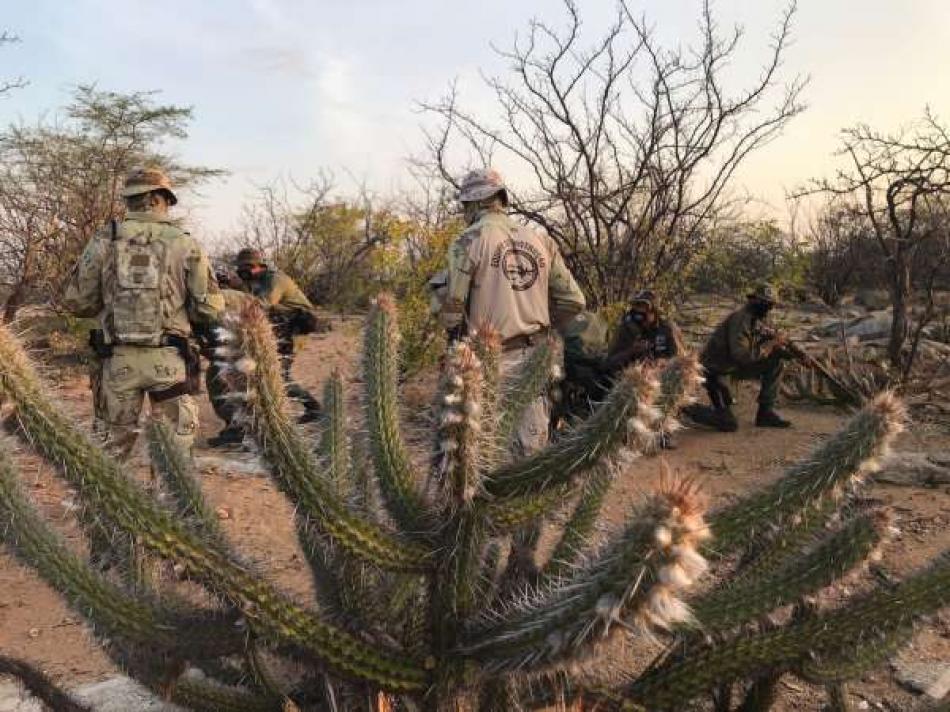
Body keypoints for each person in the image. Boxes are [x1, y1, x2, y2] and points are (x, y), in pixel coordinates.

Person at [64, 167, 223, 456]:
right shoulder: (186, 243)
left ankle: (104, 502)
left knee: (109, 455)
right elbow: (208, 308)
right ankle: (164, 500)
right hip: (169, 361)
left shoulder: (105, 239)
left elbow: (78, 302)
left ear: (130, 200)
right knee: (173, 459)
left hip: (118, 361)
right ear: (160, 199)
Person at [439, 168, 586, 456]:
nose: (464, 211)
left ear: (475, 202)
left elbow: (453, 309)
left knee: (484, 451)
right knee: (530, 448)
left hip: (489, 360)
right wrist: (538, 320)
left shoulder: (468, 240)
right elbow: (574, 300)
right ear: (501, 199)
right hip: (537, 358)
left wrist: (454, 346)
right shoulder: (541, 240)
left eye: (465, 205)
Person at [206, 248, 323, 446]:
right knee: (260, 374)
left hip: (294, 328)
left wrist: (232, 292)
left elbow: (261, 304)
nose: (244, 272)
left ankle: (311, 409)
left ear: (259, 265)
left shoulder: (275, 279)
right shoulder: (253, 282)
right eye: (241, 268)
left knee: (277, 376)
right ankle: (308, 409)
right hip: (275, 328)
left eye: (248, 268)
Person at [698, 283, 794, 431]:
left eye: (770, 304)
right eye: (765, 304)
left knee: (776, 362)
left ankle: (765, 413)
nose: (769, 308)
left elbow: (768, 344)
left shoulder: (759, 319)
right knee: (728, 424)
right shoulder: (741, 319)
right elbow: (742, 356)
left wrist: (792, 355)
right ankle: (687, 409)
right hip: (716, 371)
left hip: (733, 367)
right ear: (754, 301)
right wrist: (771, 345)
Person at [604, 290, 681, 372]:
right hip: (631, 378)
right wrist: (631, 351)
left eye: (643, 307)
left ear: (654, 311)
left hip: (663, 376)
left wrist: (662, 362)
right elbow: (608, 364)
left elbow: (680, 360)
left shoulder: (667, 329)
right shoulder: (625, 329)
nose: (639, 311)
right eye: (636, 306)